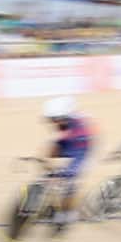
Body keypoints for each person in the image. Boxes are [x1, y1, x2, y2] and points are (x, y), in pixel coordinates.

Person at [40, 95, 95, 232]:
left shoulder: (79, 129)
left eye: (53, 120)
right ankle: (49, 190)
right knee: (45, 156)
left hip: (82, 149)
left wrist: (66, 174)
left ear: (63, 116)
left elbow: (77, 158)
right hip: (71, 140)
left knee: (70, 182)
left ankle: (66, 214)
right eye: (50, 120)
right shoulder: (65, 118)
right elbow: (57, 140)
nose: (51, 122)